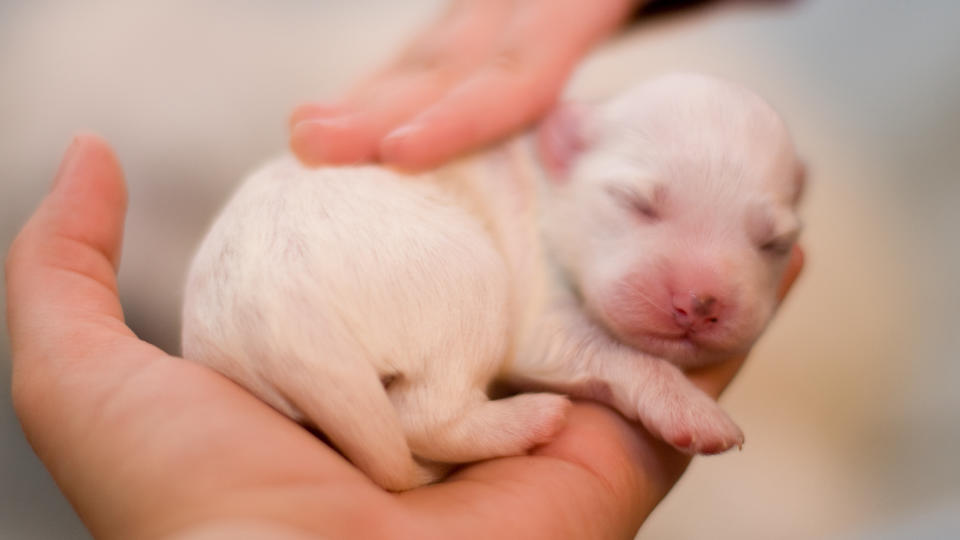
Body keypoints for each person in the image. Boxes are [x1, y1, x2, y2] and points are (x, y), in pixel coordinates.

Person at [5, 1, 802, 538]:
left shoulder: (537, 193)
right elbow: (535, 334)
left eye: (766, 243)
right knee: (471, 286)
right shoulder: (506, 186)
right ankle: (439, 415)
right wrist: (642, 379)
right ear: (563, 150)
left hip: (265, 312)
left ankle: (397, 414)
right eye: (640, 206)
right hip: (336, 269)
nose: (704, 289)